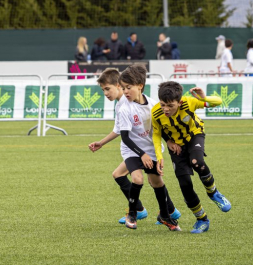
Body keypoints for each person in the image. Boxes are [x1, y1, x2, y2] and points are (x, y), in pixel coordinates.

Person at [88, 67, 180, 226]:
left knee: (150, 180)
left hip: (145, 148)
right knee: (127, 176)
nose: (105, 93)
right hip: (135, 149)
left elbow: (157, 126)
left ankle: (149, 210)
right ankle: (164, 210)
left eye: (107, 89)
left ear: (119, 86)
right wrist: (101, 143)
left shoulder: (131, 102)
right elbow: (119, 130)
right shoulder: (121, 105)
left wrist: (168, 141)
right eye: (103, 90)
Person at [151, 81, 231, 234]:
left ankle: (213, 192)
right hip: (176, 146)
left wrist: (204, 97)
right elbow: (156, 134)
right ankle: (202, 219)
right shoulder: (156, 113)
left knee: (197, 162)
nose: (165, 109)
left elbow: (218, 102)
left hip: (194, 135)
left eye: (170, 105)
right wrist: (160, 155)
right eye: (162, 104)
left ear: (179, 102)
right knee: (185, 183)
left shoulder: (189, 103)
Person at [116, 65, 181, 231]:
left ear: (140, 86)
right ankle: (132, 214)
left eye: (128, 87)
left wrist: (168, 141)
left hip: (150, 150)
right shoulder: (124, 109)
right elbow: (125, 137)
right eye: (123, 88)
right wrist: (142, 154)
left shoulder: (154, 105)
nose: (125, 91)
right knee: (138, 179)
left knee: (157, 183)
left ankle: (165, 215)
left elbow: (158, 129)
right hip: (131, 150)